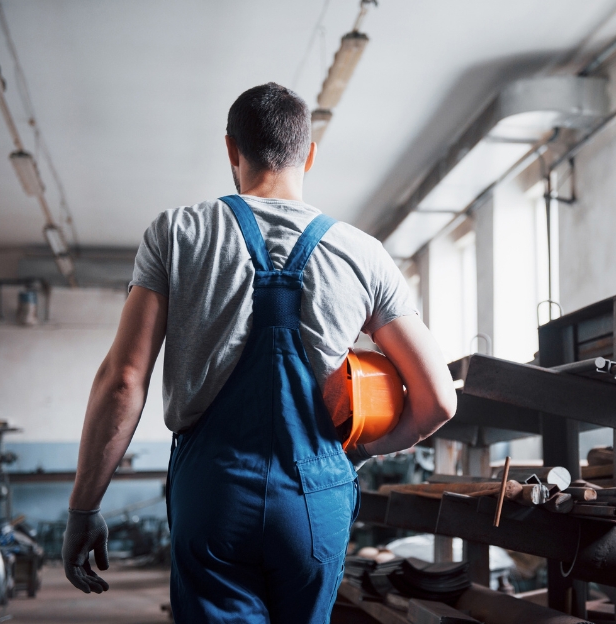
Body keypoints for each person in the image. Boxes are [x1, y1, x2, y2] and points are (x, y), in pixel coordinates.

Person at [62, 82, 457, 622]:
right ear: (309, 155)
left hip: (213, 494)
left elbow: (123, 380)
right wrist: (356, 454)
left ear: (232, 150)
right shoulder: (363, 253)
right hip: (316, 494)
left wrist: (84, 506)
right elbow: (439, 401)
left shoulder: (177, 233)